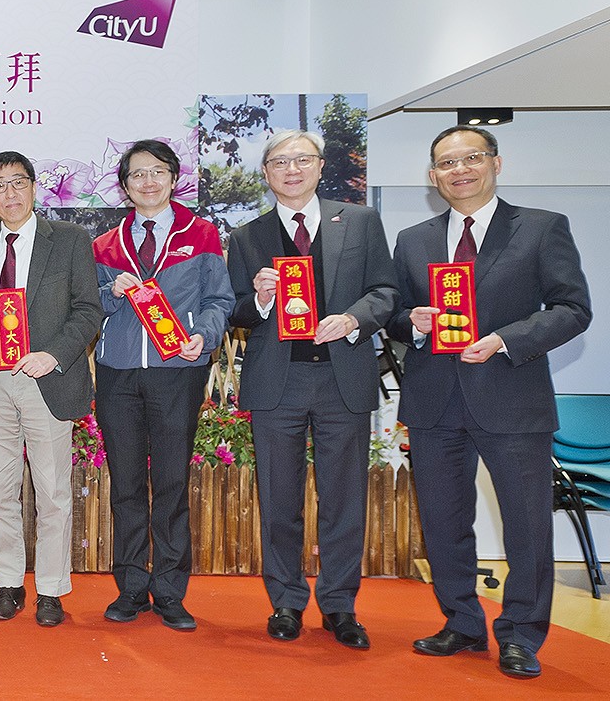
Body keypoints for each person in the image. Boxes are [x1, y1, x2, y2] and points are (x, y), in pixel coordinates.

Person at [389, 126, 591, 679]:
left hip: (512, 397)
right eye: (446, 164)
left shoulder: (542, 227)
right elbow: (394, 312)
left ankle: (522, 634)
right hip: (434, 401)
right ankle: (462, 622)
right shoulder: (413, 238)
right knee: (443, 520)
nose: (460, 170)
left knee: (526, 523)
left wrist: (507, 340)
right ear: (432, 178)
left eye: (471, 158)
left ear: (495, 163)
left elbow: (573, 308)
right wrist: (412, 320)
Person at [226, 130, 398, 649]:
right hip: (277, 381)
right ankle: (285, 601)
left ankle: (341, 605)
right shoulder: (247, 235)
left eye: (302, 160)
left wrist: (352, 319)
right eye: (280, 162)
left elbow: (386, 291)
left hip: (342, 375)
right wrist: (257, 300)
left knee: (343, 497)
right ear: (266, 173)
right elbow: (234, 311)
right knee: (279, 498)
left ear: (321, 167)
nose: (292, 169)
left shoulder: (361, 222)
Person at [91, 139, 233, 631]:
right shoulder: (106, 244)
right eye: (136, 175)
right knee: (126, 483)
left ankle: (170, 590)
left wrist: (203, 335)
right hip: (118, 373)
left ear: (174, 178)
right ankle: (131, 586)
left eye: (157, 172)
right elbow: (87, 305)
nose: (147, 182)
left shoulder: (203, 234)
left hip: (178, 371)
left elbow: (220, 299)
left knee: (171, 482)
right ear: (125, 186)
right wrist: (110, 291)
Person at [0, 151, 102, 627]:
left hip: (47, 377)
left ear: (34, 187)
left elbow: (88, 310)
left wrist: (53, 355)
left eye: (18, 182)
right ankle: (8, 584)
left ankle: (50, 590)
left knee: (52, 490)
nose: (10, 193)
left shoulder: (68, 240)